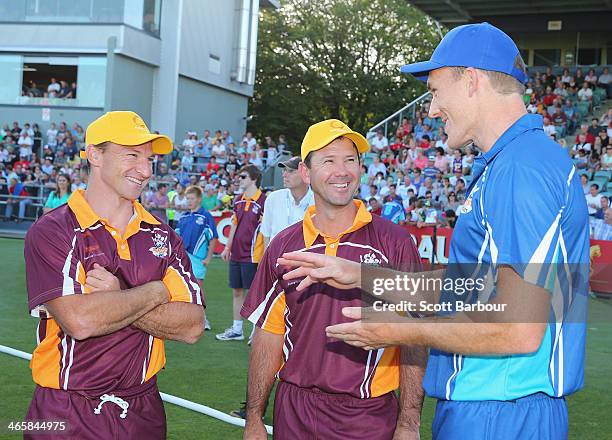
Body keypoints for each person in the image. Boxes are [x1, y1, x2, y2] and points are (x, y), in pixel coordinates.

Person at [279, 23, 590, 440]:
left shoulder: (520, 169)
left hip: (498, 410)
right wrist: (364, 277)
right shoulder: (518, 162)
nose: (430, 110)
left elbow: (518, 327)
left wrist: (396, 330)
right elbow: (482, 289)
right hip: (497, 406)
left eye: (435, 91)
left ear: (471, 79)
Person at [23, 111, 204, 439]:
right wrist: (155, 291)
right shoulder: (53, 231)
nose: (146, 170)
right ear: (94, 154)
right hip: (65, 411)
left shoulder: (163, 236)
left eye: (150, 159)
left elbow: (192, 326)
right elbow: (80, 322)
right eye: (132, 155)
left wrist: (120, 292)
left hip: (143, 409)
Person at [241, 119, 426, 440]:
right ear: (306, 172)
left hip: (368, 416)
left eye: (350, 160)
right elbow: (268, 336)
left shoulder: (394, 242)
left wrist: (409, 422)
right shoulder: (284, 246)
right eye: (328, 160)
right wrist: (255, 416)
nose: (342, 170)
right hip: (295, 412)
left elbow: (416, 336)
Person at [216, 165, 266, 341]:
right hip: (236, 254)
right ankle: (237, 329)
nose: (239, 179)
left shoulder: (264, 201)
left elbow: (267, 229)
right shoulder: (238, 200)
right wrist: (227, 248)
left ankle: (257, 330)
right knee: (236, 291)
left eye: (243, 176)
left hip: (253, 255)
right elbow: (234, 224)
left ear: (253, 179)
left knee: (255, 293)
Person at [176, 185, 219, 331]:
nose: (189, 201)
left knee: (198, 288)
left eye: (192, 198)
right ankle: (187, 318)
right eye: (187, 198)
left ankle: (203, 319)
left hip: (198, 259)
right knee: (183, 288)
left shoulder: (206, 216)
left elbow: (213, 238)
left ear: (199, 199)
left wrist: (208, 257)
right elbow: (176, 238)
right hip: (183, 258)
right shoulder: (184, 217)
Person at [261, 156, 314, 248]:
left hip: (304, 260)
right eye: (284, 170)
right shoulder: (273, 198)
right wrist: (268, 261)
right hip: (276, 259)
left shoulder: (318, 202)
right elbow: (266, 234)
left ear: (306, 174)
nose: (284, 175)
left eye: (291, 171)